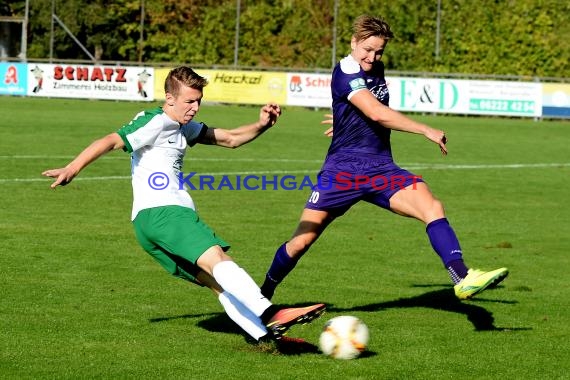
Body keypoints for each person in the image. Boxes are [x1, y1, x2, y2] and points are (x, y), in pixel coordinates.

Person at [42, 66, 325, 346]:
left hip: (147, 224)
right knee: (218, 260)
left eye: (198, 100)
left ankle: (262, 335)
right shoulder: (155, 120)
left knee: (217, 284)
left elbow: (230, 139)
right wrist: (73, 168)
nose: (195, 107)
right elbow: (110, 140)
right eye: (189, 101)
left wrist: (261, 124)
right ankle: (271, 312)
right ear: (170, 99)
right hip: (166, 212)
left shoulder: (183, 127)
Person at [260, 15, 508, 301]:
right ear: (353, 42)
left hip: (381, 168)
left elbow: (369, 108)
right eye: (367, 49)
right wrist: (425, 129)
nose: (372, 56)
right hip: (343, 171)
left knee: (431, 205)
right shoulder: (345, 70)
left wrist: (346, 120)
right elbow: (376, 112)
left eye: (379, 51)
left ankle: (462, 277)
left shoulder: (377, 68)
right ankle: (263, 295)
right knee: (301, 241)